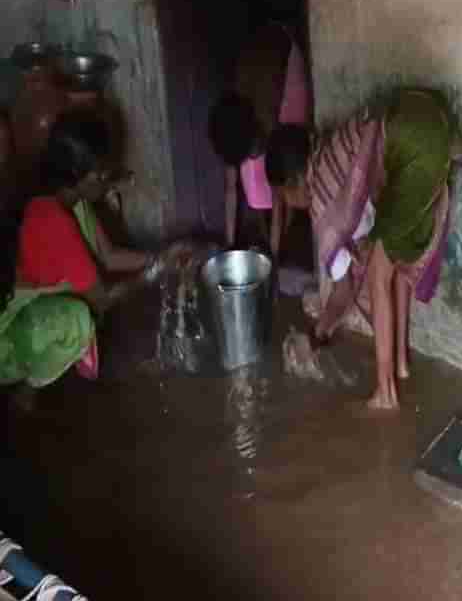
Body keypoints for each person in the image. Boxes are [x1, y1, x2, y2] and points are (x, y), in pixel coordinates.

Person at [264, 88, 462, 410]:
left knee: (377, 275)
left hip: (415, 144)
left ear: (293, 183)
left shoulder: (322, 195)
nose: (287, 203)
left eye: (282, 195)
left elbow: (344, 288)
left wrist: (318, 331)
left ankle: (385, 394)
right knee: (394, 263)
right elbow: (371, 221)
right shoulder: (333, 149)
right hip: (430, 118)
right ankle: (400, 365)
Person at [1, 109, 189, 408]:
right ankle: (25, 390)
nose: (108, 180)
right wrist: (155, 272)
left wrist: (162, 255)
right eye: (102, 174)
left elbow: (108, 255)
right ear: (80, 176)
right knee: (79, 320)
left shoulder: (70, 200)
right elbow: (101, 299)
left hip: (32, 308)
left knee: (80, 311)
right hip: (5, 333)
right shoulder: (51, 221)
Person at [208, 22, 311, 258]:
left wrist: (272, 258)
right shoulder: (230, 125)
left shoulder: (276, 114)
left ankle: (282, 239)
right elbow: (230, 189)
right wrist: (229, 246)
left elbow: (279, 189)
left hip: (283, 57)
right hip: (258, 56)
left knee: (284, 177)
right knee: (254, 180)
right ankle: (271, 242)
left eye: (252, 151)